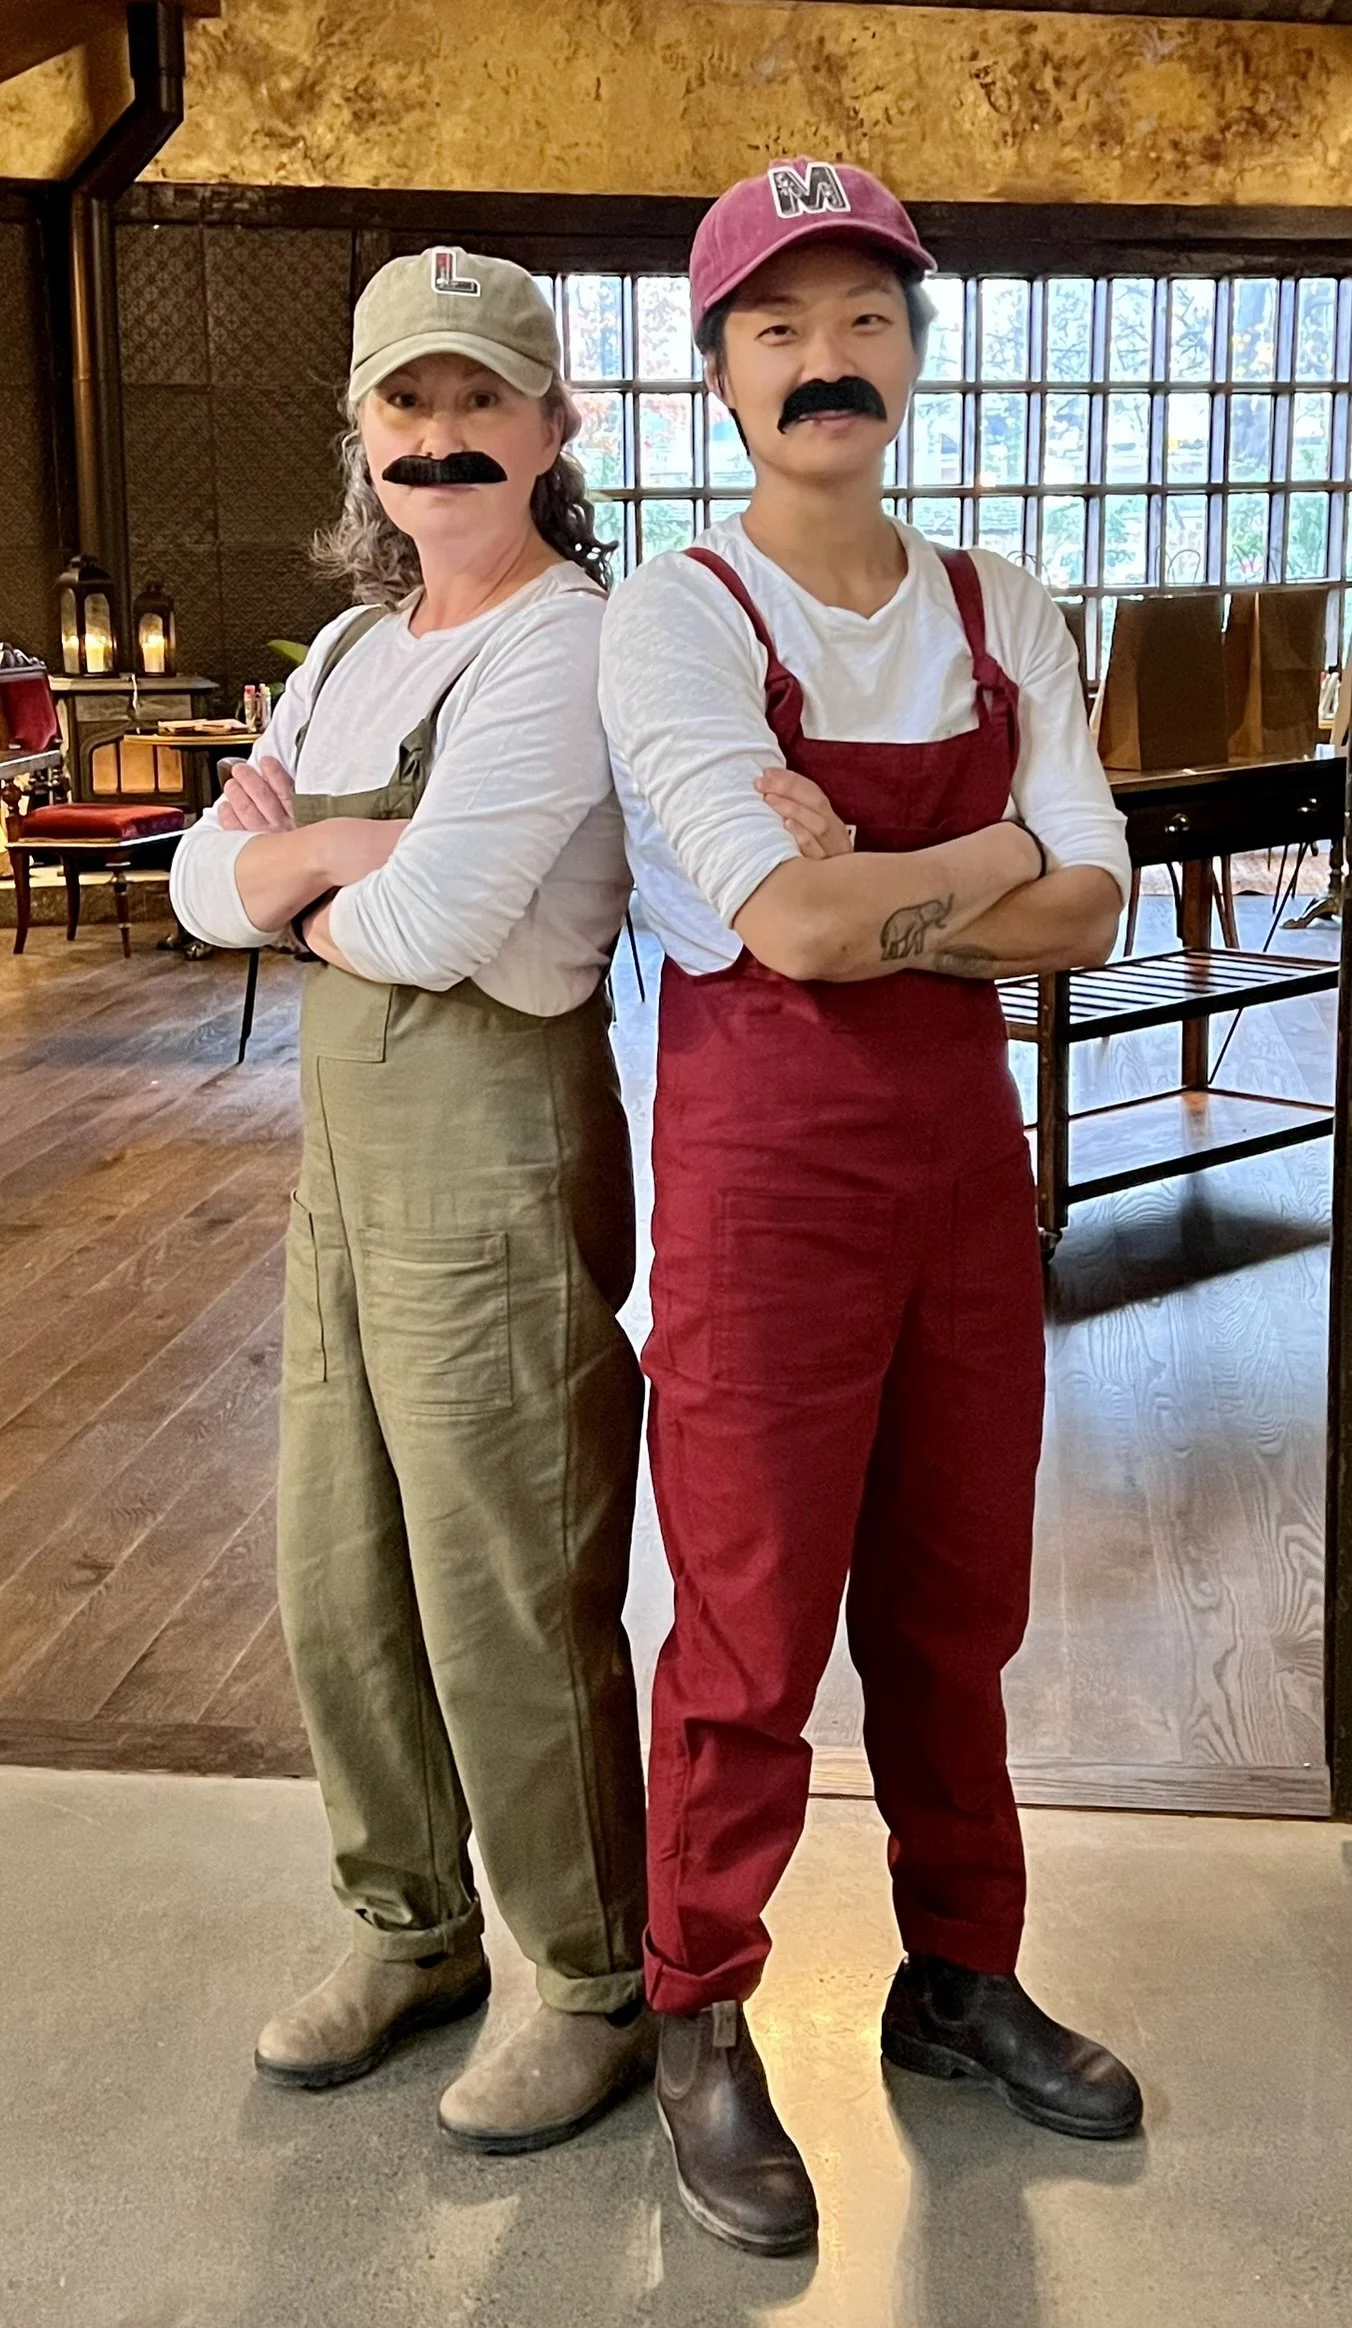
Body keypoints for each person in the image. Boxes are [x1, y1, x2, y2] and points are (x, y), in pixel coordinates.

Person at [599, 160, 1143, 2255]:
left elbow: (1087, 914)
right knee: (744, 1624)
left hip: (955, 1183)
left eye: (865, 321)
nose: (828, 361)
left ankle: (959, 1971)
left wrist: (909, 877)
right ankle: (698, 2008)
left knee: (953, 1605)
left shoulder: (1007, 603)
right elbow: (783, 939)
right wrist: (987, 872)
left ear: (912, 350)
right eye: (778, 326)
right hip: (757, 1185)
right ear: (721, 372)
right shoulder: (680, 612)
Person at [171, 247, 653, 2153]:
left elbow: (454, 923)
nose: (442, 442)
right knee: (337, 1573)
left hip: (496, 1139)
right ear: (360, 436)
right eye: (406, 407)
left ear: (557, 426)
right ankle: (411, 1927)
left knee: (504, 1586)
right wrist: (328, 864)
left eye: (481, 403)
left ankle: (592, 1975)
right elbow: (200, 885)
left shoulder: (576, 638)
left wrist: (317, 861)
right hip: (341, 1161)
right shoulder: (357, 652)